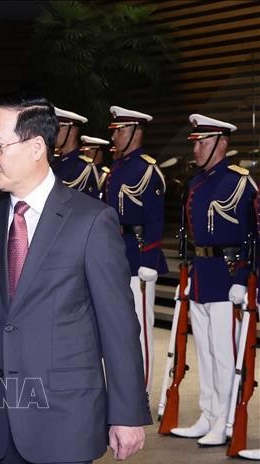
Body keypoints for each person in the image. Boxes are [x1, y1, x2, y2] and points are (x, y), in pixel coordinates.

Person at [0, 92, 151, 464]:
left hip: (68, 418)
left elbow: (118, 326)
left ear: (35, 147)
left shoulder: (91, 222)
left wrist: (127, 413)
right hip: (1, 417)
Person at [170, 114, 258, 446]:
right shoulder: (197, 182)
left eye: (203, 142)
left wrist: (245, 274)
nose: (197, 149)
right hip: (203, 274)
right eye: (195, 143)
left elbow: (253, 233)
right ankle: (208, 413)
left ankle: (226, 419)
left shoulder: (240, 181)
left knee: (224, 353)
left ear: (221, 143)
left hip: (228, 276)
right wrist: (191, 273)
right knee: (204, 351)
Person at [105, 106, 168, 392]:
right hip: (117, 255)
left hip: (138, 256)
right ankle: (121, 391)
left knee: (140, 331)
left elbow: (155, 219)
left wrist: (150, 260)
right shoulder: (117, 168)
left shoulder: (147, 169)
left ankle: (139, 394)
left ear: (134, 132)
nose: (115, 137)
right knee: (118, 332)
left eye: (119, 131)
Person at [52, 107, 100, 198]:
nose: (53, 132)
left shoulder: (83, 167)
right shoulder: (53, 161)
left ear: (72, 131)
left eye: (57, 127)